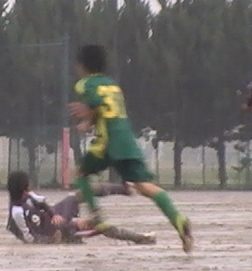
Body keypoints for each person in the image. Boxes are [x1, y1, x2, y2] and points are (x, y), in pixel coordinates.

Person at [68, 45, 193, 253]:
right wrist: (89, 121)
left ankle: (98, 218)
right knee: (144, 186)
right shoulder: (114, 85)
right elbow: (106, 108)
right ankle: (178, 219)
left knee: (80, 173)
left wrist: (85, 117)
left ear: (82, 65)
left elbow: (96, 102)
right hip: (126, 139)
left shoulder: (85, 83)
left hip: (108, 140)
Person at [6, 171, 156, 245]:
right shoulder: (17, 213)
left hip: (56, 217)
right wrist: (53, 239)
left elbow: (42, 203)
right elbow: (30, 239)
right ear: (24, 189)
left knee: (79, 194)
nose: (31, 187)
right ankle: (142, 238)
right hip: (56, 231)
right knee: (96, 224)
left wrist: (53, 214)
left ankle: (124, 189)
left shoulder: (29, 195)